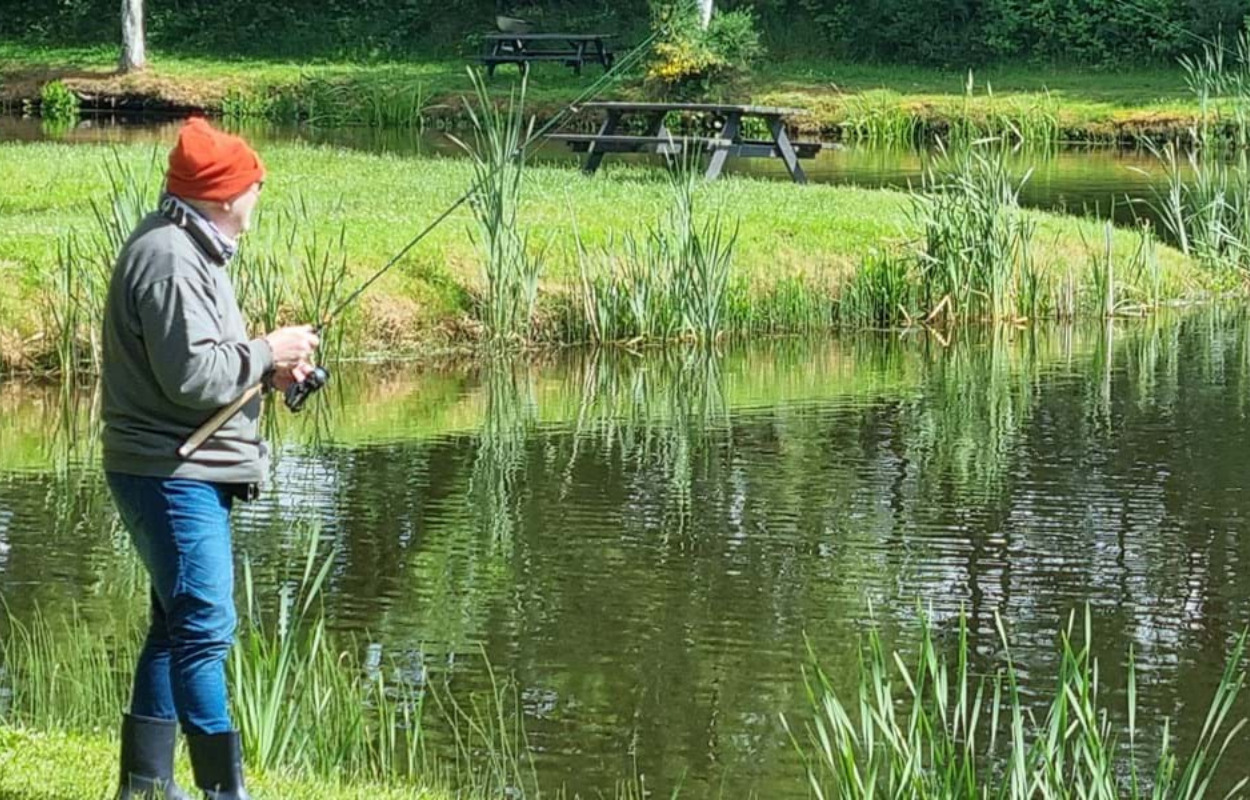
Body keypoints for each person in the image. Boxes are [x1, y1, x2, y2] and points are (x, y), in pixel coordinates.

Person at [101, 117, 319, 800]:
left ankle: (144, 788)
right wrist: (267, 351)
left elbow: (204, 367)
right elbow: (191, 379)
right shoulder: (170, 258)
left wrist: (268, 371)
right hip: (170, 473)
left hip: (175, 465)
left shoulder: (189, 249)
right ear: (224, 194)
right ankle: (225, 793)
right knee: (203, 626)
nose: (258, 195)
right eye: (253, 184)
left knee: (174, 626)